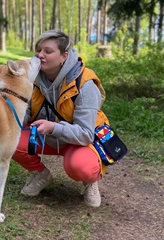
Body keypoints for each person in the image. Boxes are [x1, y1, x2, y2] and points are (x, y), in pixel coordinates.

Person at [12, 29, 109, 208]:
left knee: (81, 166)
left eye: (48, 51)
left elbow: (86, 133)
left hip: (80, 140)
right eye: (38, 50)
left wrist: (53, 127)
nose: (40, 55)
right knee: (10, 139)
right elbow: (23, 115)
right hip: (45, 133)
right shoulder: (32, 78)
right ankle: (40, 174)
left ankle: (90, 181)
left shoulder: (85, 83)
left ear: (64, 56)